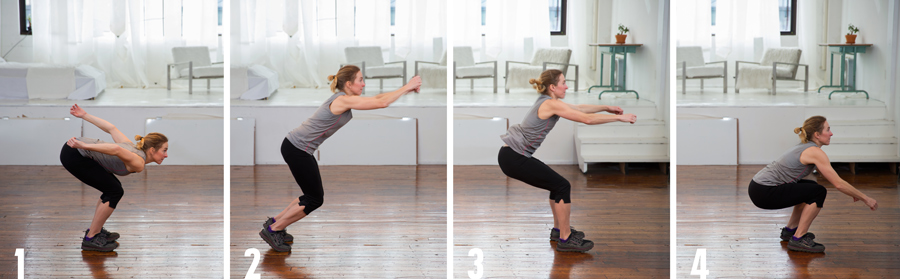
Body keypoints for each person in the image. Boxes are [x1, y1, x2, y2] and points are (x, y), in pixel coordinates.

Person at [260, 65, 421, 252]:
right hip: (297, 149)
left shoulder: (345, 99)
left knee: (310, 195)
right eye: (360, 80)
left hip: (297, 147)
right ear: (348, 83)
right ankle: (273, 230)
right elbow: (382, 103)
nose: (363, 84)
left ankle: (274, 223)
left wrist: (406, 88)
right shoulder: (341, 101)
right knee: (314, 199)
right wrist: (407, 86)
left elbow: (378, 98)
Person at [497, 69, 637, 252]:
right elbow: (586, 119)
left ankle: (558, 231)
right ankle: (565, 238)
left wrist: (606, 107)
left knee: (557, 185)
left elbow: (579, 108)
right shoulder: (549, 104)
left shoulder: (550, 101)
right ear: (553, 87)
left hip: (512, 155)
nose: (567, 86)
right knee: (562, 186)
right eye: (563, 82)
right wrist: (618, 118)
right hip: (514, 157)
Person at [749, 116, 878, 253]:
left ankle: (790, 231)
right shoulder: (814, 152)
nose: (831, 133)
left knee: (810, 186)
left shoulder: (805, 147)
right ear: (817, 134)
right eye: (828, 130)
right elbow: (838, 183)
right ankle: (798, 239)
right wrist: (865, 198)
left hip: (757, 187)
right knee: (818, 192)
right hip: (765, 192)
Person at [60, 104, 169, 251]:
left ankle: (95, 230)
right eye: (164, 150)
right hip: (75, 154)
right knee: (114, 191)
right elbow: (116, 149)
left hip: (76, 150)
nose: (166, 155)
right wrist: (84, 146)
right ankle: (91, 237)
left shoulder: (132, 146)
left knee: (112, 189)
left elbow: (111, 128)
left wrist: (84, 115)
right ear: (152, 150)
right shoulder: (138, 162)